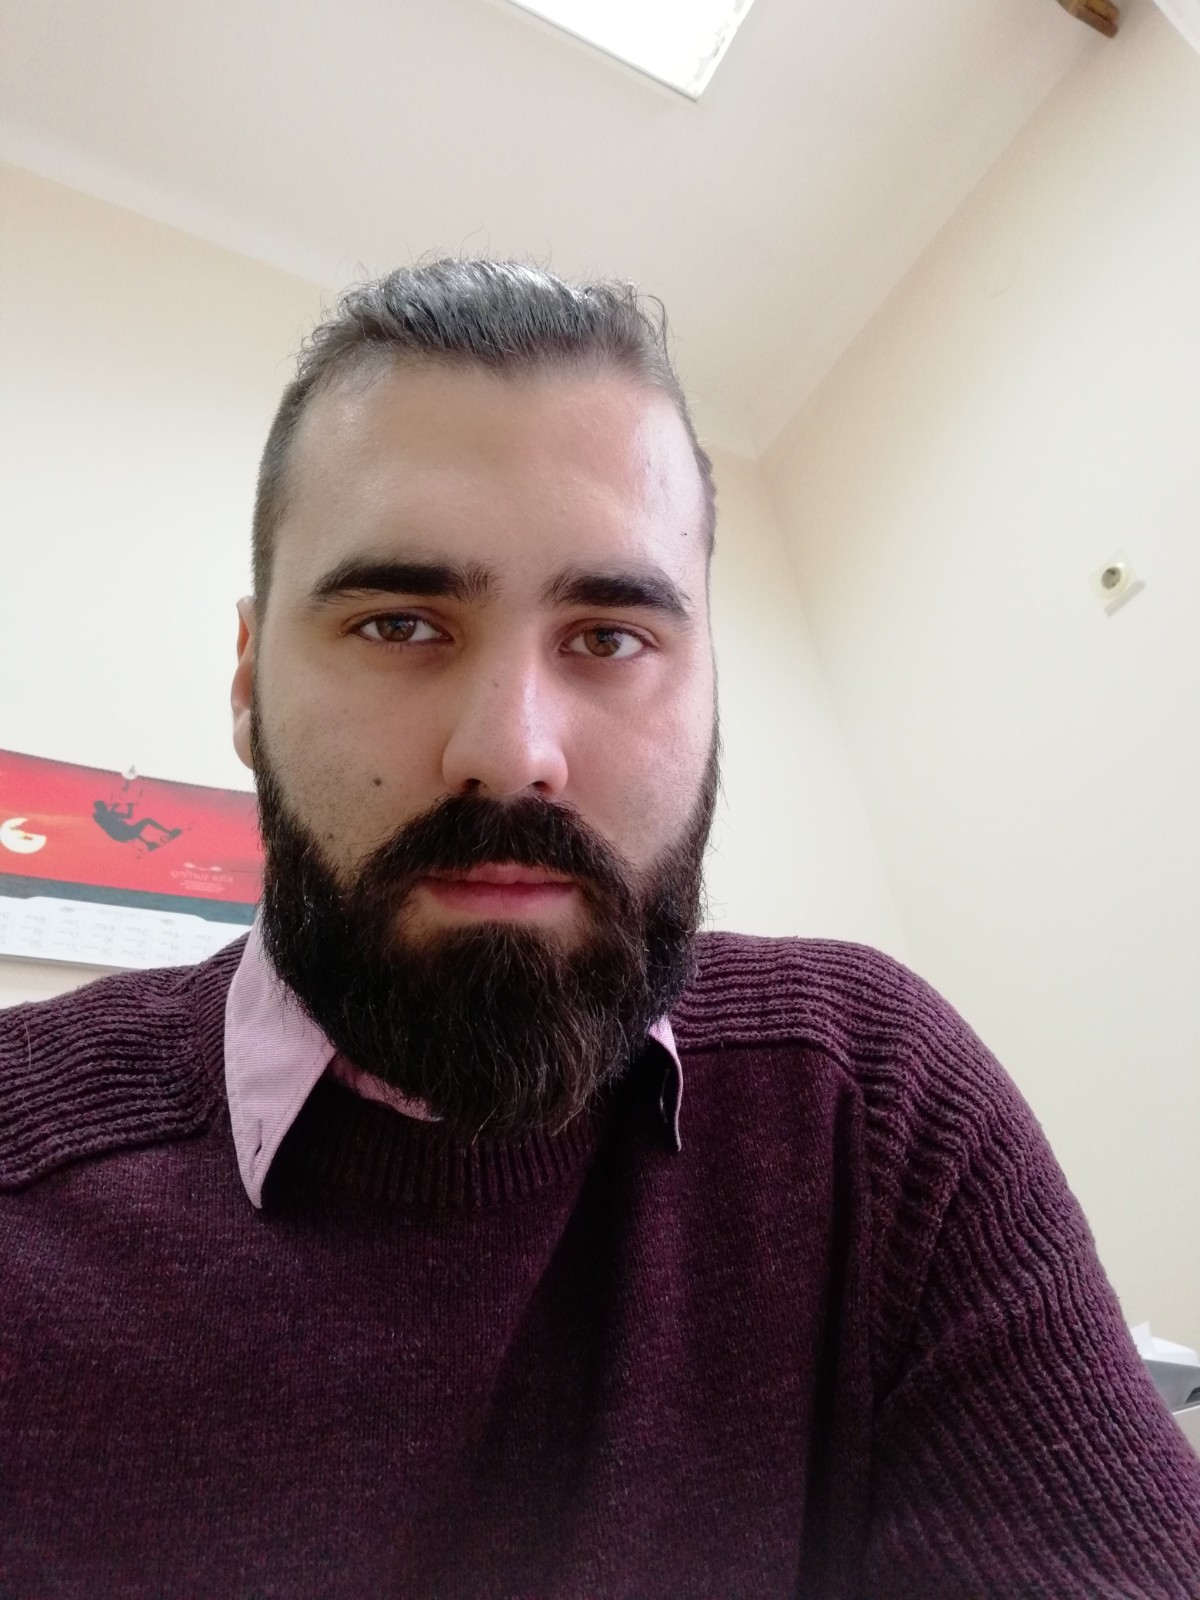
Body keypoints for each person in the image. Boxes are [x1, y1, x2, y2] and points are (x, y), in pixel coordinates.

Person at [1, 261, 1197, 1600]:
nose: (510, 752)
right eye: (399, 622)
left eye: (610, 637)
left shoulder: (875, 1107)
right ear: (245, 682)